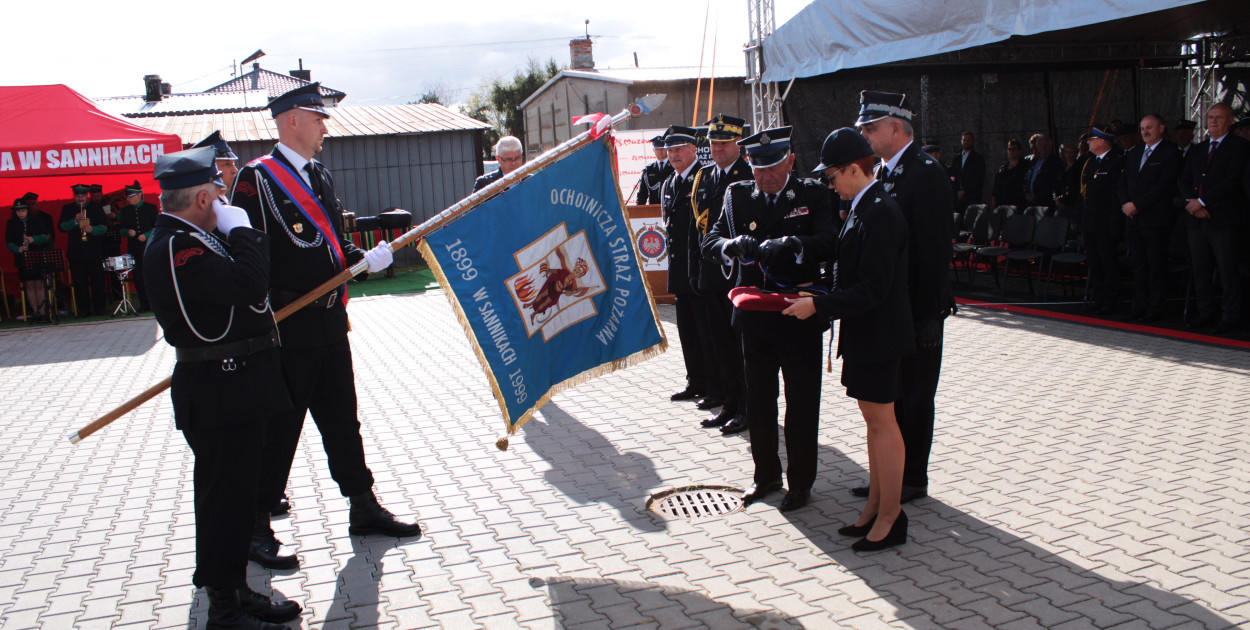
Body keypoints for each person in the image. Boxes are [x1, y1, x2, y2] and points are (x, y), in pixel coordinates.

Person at [230, 83, 420, 570]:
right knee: (280, 429)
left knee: (342, 420)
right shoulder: (256, 180)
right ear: (291, 119)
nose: (325, 127)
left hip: (331, 320)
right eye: (318, 118)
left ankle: (363, 505)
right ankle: (254, 525)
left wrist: (365, 260)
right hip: (287, 326)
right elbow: (249, 255)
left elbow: (333, 240)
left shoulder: (319, 174)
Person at [146, 146, 301, 629]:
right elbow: (252, 285)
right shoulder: (179, 246)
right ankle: (223, 608)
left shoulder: (190, 238)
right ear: (199, 200)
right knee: (222, 502)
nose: (221, 201)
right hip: (219, 391)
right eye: (216, 195)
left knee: (235, 500)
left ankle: (236, 590)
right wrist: (245, 230)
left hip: (236, 387)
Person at [784, 127, 914, 551]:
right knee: (874, 425)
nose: (828, 183)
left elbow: (874, 288)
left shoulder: (879, 211)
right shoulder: (864, 206)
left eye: (832, 175)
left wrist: (820, 306)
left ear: (854, 169)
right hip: (867, 334)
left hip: (879, 335)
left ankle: (892, 516)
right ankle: (876, 506)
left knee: (883, 424)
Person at [702, 126, 836, 512]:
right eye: (759, 169)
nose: (767, 177)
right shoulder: (737, 196)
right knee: (759, 401)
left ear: (791, 161)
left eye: (775, 167)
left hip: (799, 314)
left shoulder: (812, 194)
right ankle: (766, 477)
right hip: (756, 318)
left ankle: (801, 483)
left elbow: (830, 241)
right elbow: (710, 242)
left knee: (802, 402)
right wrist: (730, 245)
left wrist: (794, 245)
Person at [851, 91, 954, 505]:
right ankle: (890, 477)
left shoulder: (924, 172)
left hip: (918, 308)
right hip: (893, 307)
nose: (864, 135)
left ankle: (913, 478)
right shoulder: (886, 172)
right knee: (891, 394)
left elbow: (933, 251)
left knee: (915, 395)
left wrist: (929, 313)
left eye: (870, 128)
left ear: (897, 127)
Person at [691, 115, 753, 435]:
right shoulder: (705, 177)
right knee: (721, 347)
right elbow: (697, 230)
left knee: (741, 345)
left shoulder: (749, 176)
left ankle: (746, 409)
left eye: (724, 143)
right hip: (712, 275)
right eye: (713, 143)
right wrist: (695, 271)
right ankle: (728, 404)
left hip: (738, 277)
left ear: (738, 145)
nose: (717, 148)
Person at [1178, 103, 1249, 333]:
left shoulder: (1240, 147)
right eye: (1210, 117)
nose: (1213, 121)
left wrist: (1204, 202)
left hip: (1223, 219)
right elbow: (1184, 179)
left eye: (1219, 117)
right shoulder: (1198, 149)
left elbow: (1231, 181)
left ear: (1230, 121)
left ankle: (1229, 315)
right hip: (1197, 220)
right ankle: (1205, 312)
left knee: (1227, 270)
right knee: (1201, 270)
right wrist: (1192, 203)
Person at [660, 125, 709, 403]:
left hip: (699, 270)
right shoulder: (670, 183)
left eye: (679, 149)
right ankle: (695, 381)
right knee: (687, 332)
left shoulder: (704, 179)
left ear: (693, 149)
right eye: (670, 150)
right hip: (679, 271)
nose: (674, 155)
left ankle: (714, 384)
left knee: (706, 332)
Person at [1118, 114, 1182, 322]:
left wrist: (1137, 205)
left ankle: (1155, 308)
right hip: (1133, 219)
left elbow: (1163, 186)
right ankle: (1139, 305)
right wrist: (1126, 204)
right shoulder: (1135, 152)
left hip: (1155, 220)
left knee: (1155, 266)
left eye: (1150, 127)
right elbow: (1123, 182)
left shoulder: (1171, 153)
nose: (1145, 131)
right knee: (1138, 265)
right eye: (1143, 128)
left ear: (1161, 128)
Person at [1080, 124, 1126, 315]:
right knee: (1095, 264)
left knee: (1108, 264)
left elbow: (1116, 197)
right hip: (1090, 222)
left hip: (1105, 223)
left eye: (1091, 140)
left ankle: (1110, 300)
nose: (1088, 143)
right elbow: (1084, 193)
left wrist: (1114, 224)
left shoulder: (1116, 162)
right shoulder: (1091, 163)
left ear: (1101, 141)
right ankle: (1097, 298)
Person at [59, 183, 108, 317]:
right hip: (76, 252)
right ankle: (83, 310)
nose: (80, 198)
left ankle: (100, 308)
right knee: (80, 283)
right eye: (78, 195)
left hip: (94, 251)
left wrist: (93, 230)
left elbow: (104, 227)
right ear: (74, 196)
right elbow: (62, 227)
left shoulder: (96, 208)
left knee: (98, 281)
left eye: (83, 195)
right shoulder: (68, 209)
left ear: (87, 196)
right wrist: (74, 221)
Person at [6, 198, 55, 321]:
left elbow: (46, 236)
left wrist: (34, 239)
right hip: (22, 257)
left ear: (27, 210)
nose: (21, 213)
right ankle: (36, 312)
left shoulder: (37, 221)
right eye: (18, 211)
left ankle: (43, 312)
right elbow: (9, 242)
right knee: (29, 285)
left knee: (39, 284)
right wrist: (18, 249)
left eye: (23, 210)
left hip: (37, 255)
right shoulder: (11, 223)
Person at [117, 180, 159, 312]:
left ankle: (156, 304)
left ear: (139, 195)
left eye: (131, 197)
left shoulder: (151, 208)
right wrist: (128, 232)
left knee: (152, 275)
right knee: (139, 277)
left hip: (150, 246)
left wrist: (146, 235)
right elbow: (121, 229)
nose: (129, 199)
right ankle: (144, 304)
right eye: (128, 197)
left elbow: (157, 227)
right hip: (135, 248)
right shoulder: (125, 211)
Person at [947, 131, 985, 211]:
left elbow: (978, 178)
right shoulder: (957, 158)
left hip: (972, 197)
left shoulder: (978, 159)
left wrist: (965, 191)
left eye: (969, 140)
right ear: (961, 141)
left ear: (973, 141)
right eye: (964, 140)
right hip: (958, 196)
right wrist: (955, 190)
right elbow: (952, 175)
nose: (966, 142)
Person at [1023, 134, 1061, 209]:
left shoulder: (1055, 161)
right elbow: (1026, 178)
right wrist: (1026, 193)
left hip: (1045, 202)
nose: (1043, 148)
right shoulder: (1033, 161)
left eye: (1046, 145)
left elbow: (1052, 182)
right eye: (1040, 145)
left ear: (1050, 146)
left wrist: (1037, 195)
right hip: (1030, 202)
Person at [991, 139, 1028, 209]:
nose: (1012, 152)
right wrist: (994, 198)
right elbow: (997, 184)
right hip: (1002, 202)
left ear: (1019, 151)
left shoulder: (1025, 166)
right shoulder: (1003, 167)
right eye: (1010, 149)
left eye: (1014, 149)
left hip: (1017, 201)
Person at [636, 134, 672, 205]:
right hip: (653, 211)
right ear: (653, 150)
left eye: (662, 148)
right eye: (657, 148)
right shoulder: (648, 170)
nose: (660, 151)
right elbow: (642, 194)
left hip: (671, 210)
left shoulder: (675, 167)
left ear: (667, 148)